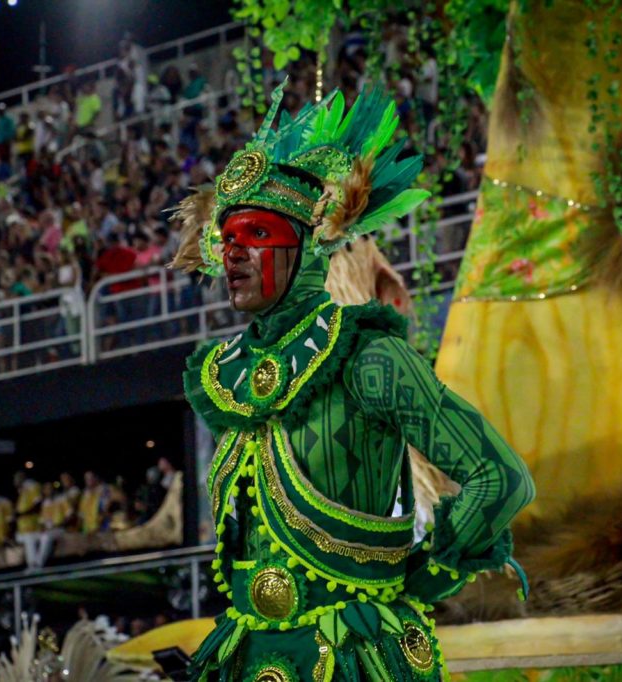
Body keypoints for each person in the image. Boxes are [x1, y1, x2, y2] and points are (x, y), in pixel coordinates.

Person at [169, 83, 534, 680]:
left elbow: (501, 478)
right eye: (227, 238)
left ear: (311, 246)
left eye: (257, 234)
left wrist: (421, 574)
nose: (233, 252)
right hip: (246, 655)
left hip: (355, 657)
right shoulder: (227, 378)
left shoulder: (368, 355)